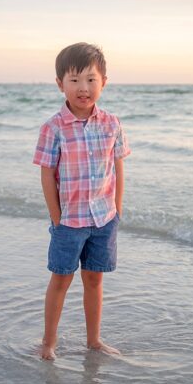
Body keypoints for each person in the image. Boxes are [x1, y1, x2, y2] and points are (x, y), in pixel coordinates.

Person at [33, 42, 130, 361]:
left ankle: (94, 340)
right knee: (61, 278)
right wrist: (56, 218)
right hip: (69, 221)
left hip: (104, 217)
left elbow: (117, 166)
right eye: (74, 80)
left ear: (104, 81)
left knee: (94, 278)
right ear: (60, 84)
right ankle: (49, 341)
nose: (83, 88)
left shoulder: (112, 123)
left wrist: (117, 208)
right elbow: (48, 174)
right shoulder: (53, 127)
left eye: (91, 79)